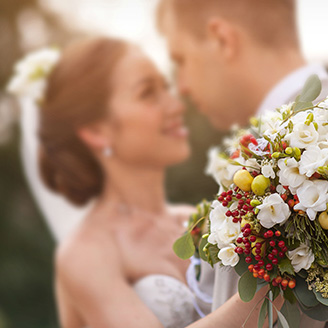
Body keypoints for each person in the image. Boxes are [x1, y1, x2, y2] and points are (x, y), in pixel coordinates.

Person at [31, 37, 280, 328]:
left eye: (167, 88)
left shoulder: (195, 222)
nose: (175, 105)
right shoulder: (85, 254)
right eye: (148, 93)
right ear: (96, 130)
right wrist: (273, 284)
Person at [157, 0, 328, 327]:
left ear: (222, 38)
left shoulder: (309, 146)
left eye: (180, 60)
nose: (182, 88)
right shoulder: (264, 151)